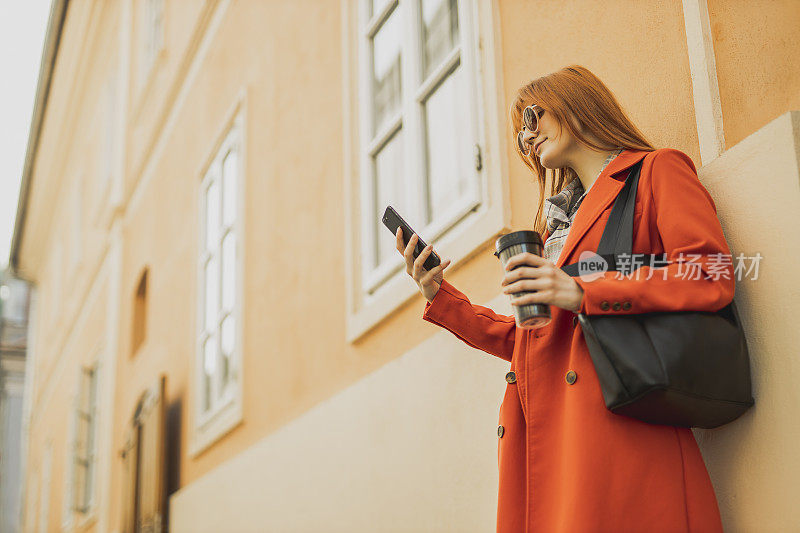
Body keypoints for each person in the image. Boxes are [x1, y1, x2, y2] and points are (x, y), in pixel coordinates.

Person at [395, 65, 733, 532]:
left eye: (532, 118)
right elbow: (532, 340)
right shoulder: (551, 227)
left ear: (576, 101)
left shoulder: (656, 171)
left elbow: (706, 275)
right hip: (544, 431)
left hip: (616, 424)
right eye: (518, 135)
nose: (526, 137)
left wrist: (582, 290)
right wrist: (438, 293)